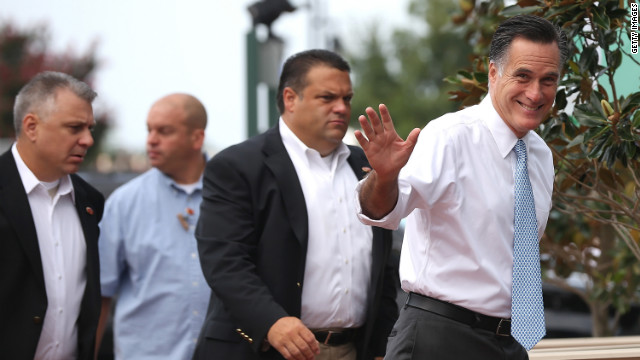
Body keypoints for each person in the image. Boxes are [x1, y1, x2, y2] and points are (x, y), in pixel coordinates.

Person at [354, 15, 569, 359]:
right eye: (523, 76)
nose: (535, 93)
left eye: (548, 80)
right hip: (438, 337)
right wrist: (384, 177)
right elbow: (381, 212)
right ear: (493, 73)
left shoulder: (540, 155)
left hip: (509, 341)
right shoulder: (449, 136)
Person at [193, 49, 399, 360]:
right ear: (290, 99)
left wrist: (382, 343)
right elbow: (224, 260)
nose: (341, 108)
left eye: (347, 98)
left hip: (352, 350)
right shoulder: (238, 166)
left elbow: (382, 267)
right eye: (327, 98)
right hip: (267, 348)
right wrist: (271, 321)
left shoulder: (366, 167)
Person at [96, 93, 210, 359]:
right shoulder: (124, 203)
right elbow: (99, 296)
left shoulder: (233, 196)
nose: (151, 140)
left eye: (165, 131)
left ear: (197, 138)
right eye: (149, 130)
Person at [0, 71, 104, 359]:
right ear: (31, 126)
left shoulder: (90, 202)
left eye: (90, 129)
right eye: (74, 128)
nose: (87, 140)